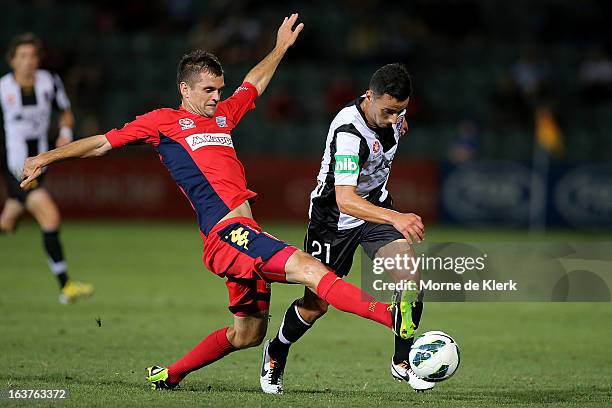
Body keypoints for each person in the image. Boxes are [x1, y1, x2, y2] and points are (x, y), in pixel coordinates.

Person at [21, 15, 414, 391]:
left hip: (246, 234)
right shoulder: (163, 122)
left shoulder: (224, 117)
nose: (216, 98)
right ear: (185, 90)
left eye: (219, 90)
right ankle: (391, 318)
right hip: (227, 234)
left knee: (247, 334)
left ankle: (170, 375)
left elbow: (253, 84)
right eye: (208, 91)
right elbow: (102, 143)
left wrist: (278, 48)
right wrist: (46, 157)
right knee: (309, 268)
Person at [261, 63, 434, 394]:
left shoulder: (392, 118)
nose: (394, 118)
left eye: (401, 111)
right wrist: (396, 217)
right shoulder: (349, 133)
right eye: (388, 111)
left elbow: (390, 128)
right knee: (316, 305)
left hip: (374, 210)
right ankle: (277, 350)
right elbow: (344, 200)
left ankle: (401, 361)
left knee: (410, 280)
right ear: (369, 97)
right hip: (333, 221)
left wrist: (397, 120)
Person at [0, 33, 93, 304]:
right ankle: (66, 287)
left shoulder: (49, 82)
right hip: (18, 165)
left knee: (7, 223)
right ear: (12, 60)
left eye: (33, 56)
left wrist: (65, 130)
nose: (29, 61)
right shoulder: (3, 88)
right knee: (50, 217)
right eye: (23, 56)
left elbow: (65, 112)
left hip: (42, 161)